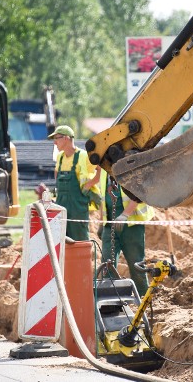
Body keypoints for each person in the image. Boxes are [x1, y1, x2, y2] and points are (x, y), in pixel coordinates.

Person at [98, 169, 155, 297]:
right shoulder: (103, 170)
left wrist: (125, 214)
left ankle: (143, 297)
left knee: (136, 264)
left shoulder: (129, 164)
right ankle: (109, 298)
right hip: (110, 224)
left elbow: (140, 193)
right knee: (107, 263)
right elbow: (103, 197)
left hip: (132, 225)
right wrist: (102, 223)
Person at [48, 125, 100, 241]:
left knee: (79, 240)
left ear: (66, 138)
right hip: (61, 205)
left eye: (57, 138)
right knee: (60, 240)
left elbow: (100, 170)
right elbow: (56, 173)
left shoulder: (83, 156)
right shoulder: (60, 157)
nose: (55, 143)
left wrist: (88, 185)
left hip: (78, 207)